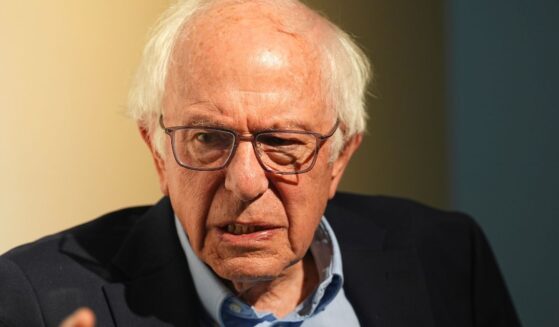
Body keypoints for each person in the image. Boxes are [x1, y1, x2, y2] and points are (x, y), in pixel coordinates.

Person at [0, 0, 520, 326]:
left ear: (339, 159)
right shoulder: (34, 300)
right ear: (158, 152)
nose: (245, 181)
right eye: (207, 138)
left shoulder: (448, 255)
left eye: (282, 142)